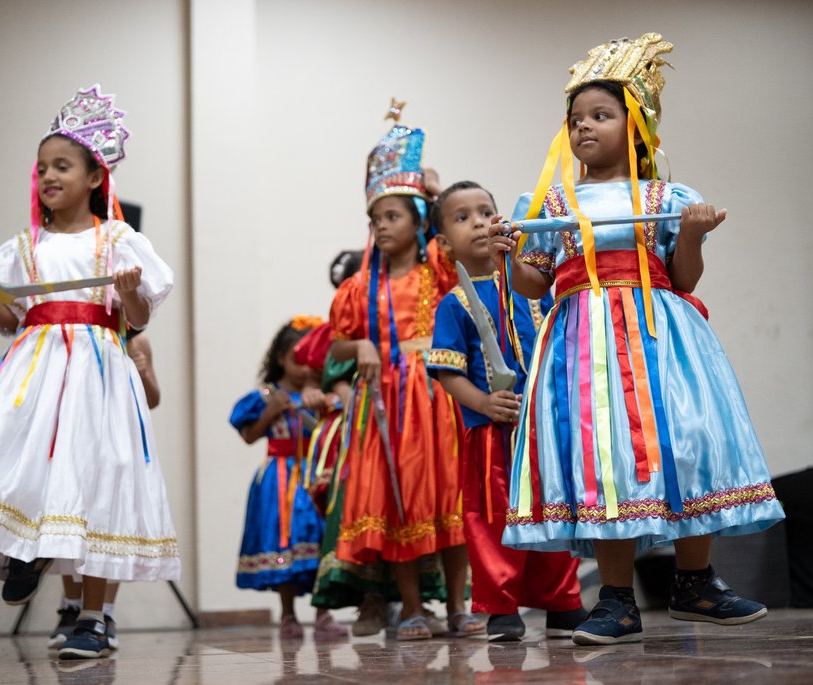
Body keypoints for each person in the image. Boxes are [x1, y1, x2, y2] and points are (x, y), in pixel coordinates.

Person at [488, 34, 785, 645]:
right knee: (606, 460)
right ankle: (617, 600)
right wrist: (510, 251)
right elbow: (530, 286)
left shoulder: (667, 199)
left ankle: (695, 583)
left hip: (662, 338)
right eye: (576, 121)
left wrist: (694, 235)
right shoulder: (549, 203)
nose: (585, 129)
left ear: (635, 124)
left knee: (687, 442)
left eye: (601, 116)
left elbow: (681, 278)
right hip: (580, 347)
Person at [0, 85, 180, 660]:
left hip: (95, 371)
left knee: (96, 476)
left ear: (94, 177)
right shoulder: (23, 247)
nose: (48, 177)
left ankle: (93, 616)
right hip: (36, 370)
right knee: (16, 456)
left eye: (61, 166)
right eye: (41, 169)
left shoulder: (118, 240)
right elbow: (13, 319)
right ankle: (25, 549)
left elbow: (133, 319)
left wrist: (131, 295)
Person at [329, 107, 483, 640]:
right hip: (386, 403)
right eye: (376, 219)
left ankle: (459, 605)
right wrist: (362, 345)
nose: (382, 226)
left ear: (419, 221)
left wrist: (434, 193)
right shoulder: (357, 289)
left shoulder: (436, 267)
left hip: (437, 397)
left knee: (449, 500)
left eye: (393, 216)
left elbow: (456, 239)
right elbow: (334, 348)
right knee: (398, 504)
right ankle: (413, 608)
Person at [429, 180, 586, 641]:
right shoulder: (453, 303)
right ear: (442, 243)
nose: (478, 222)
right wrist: (483, 403)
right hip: (490, 433)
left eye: (485, 212)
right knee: (492, 516)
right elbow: (446, 372)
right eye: (462, 218)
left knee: (553, 508)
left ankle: (563, 601)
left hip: (541, 428)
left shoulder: (530, 287)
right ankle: (500, 607)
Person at [230, 318, 347, 639]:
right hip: (279, 479)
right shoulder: (266, 396)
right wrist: (272, 412)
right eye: (298, 359)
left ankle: (324, 613)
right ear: (280, 358)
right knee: (285, 543)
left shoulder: (326, 396)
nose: (305, 367)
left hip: (317, 477)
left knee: (322, 542)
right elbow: (249, 436)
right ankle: (288, 615)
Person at [47, 330, 161, 650]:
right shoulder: (75, 335)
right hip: (79, 436)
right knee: (69, 520)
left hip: (121, 440)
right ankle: (70, 605)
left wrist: (143, 373)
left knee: (110, 524)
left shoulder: (138, 342)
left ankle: (104, 613)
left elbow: (153, 398)